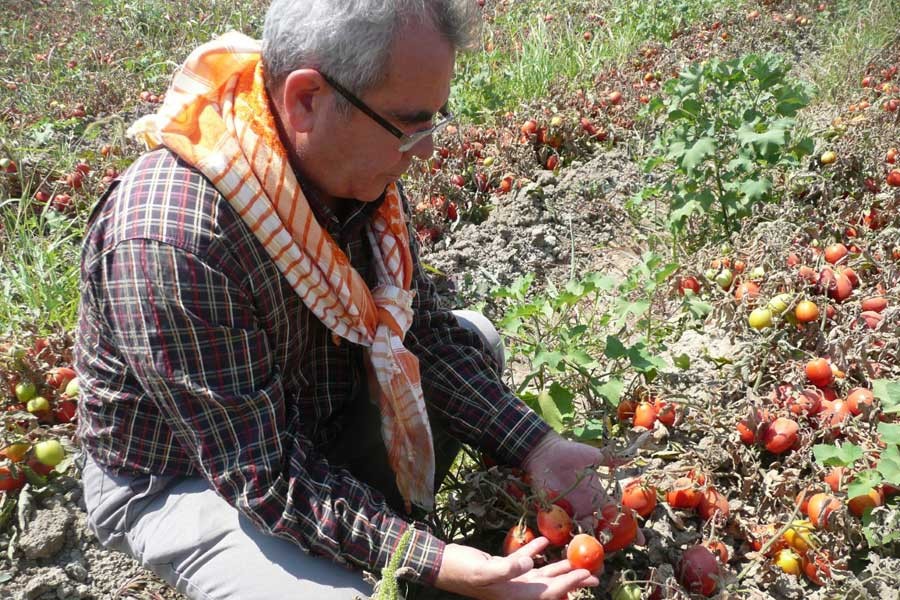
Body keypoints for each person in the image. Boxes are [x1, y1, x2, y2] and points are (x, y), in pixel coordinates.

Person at [75, 1, 619, 598]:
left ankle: (365, 516)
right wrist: (433, 562)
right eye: (410, 124)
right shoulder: (175, 238)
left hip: (307, 415)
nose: (427, 149)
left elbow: (422, 334)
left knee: (477, 338)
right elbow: (262, 474)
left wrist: (535, 444)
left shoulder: (357, 174)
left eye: (434, 121)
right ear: (307, 99)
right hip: (192, 473)